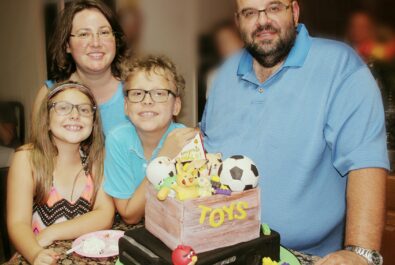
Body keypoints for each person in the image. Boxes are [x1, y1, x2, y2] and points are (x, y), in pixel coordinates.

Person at [201, 0, 389, 264]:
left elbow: (365, 161)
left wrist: (360, 253)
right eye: (250, 13)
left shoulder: (340, 66)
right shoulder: (224, 74)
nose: (263, 21)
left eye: (274, 8)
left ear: (295, 12)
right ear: (238, 21)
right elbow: (209, 151)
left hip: (305, 257)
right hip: (222, 249)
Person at [7, 82, 114, 265]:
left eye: (84, 110)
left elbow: (105, 214)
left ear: (93, 122)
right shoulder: (27, 159)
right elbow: (18, 223)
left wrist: (51, 232)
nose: (75, 115)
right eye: (63, 108)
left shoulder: (97, 159)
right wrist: (35, 253)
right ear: (46, 120)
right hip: (36, 254)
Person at [103, 55, 197, 224]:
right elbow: (129, 215)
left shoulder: (186, 142)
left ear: (176, 106)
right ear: (126, 105)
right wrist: (163, 157)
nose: (147, 101)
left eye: (159, 93)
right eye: (137, 93)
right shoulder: (117, 140)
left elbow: (189, 210)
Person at [33, 0, 128, 136]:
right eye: (84, 34)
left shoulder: (137, 93)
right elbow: (36, 153)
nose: (96, 43)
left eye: (104, 32)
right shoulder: (49, 95)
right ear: (67, 45)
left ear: (116, 39)